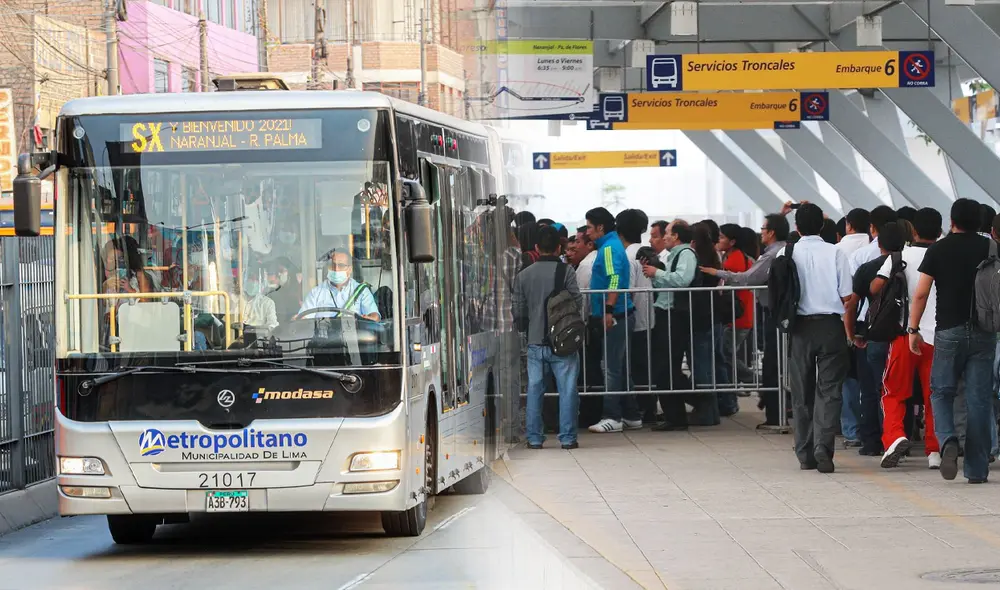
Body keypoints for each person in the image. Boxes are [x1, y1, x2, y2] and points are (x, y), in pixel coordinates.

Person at [908, 198, 996, 484]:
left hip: (948, 331)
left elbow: (920, 293)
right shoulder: (992, 248)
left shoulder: (939, 249)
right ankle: (977, 469)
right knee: (979, 400)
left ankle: (947, 440)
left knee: (941, 392)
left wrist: (913, 329)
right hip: (984, 332)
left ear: (952, 221)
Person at [778, 203, 853, 473]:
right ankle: (824, 446)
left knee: (802, 391)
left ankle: (805, 452)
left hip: (799, 328)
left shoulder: (786, 253)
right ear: (822, 226)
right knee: (830, 391)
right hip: (831, 326)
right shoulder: (836, 252)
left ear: (796, 226)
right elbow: (847, 296)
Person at [870, 209, 943, 469]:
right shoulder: (944, 254)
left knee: (893, 392)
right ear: (940, 229)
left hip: (904, 334)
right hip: (939, 337)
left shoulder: (900, 256)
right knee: (935, 395)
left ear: (913, 231)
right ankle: (934, 450)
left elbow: (875, 286)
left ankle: (894, 437)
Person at [702, 214, 788, 429]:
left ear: (771, 232)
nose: (761, 232)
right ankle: (770, 399)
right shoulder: (781, 251)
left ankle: (772, 406)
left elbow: (748, 278)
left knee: (768, 362)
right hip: (773, 315)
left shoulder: (770, 255)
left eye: (764, 228)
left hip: (761, 316)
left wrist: (718, 272)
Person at [513, 225, 582, 450]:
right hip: (563, 342)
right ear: (559, 247)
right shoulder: (567, 271)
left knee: (534, 390)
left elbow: (518, 311)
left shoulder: (523, 275)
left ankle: (534, 438)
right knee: (568, 390)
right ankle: (568, 438)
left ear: (536, 247)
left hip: (534, 342)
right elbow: (577, 301)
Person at [844, 222, 907, 456]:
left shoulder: (868, 268)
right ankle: (900, 436)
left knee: (870, 390)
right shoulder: (908, 265)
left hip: (874, 336)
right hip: (902, 336)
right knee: (898, 390)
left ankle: (872, 441)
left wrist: (851, 335)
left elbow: (851, 305)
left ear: (878, 243)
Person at [585, 207, 641, 433]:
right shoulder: (610, 246)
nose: (587, 232)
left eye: (589, 227)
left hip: (614, 315)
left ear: (600, 227)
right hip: (618, 313)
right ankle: (631, 414)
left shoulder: (609, 248)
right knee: (619, 367)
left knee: (611, 369)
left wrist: (608, 309)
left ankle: (612, 416)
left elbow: (615, 279)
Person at [644, 219, 697, 431]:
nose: (664, 237)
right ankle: (674, 414)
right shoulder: (674, 255)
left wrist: (658, 273)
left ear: (676, 236)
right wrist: (653, 272)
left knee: (667, 366)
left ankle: (678, 414)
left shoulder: (686, 254)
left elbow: (683, 279)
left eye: (666, 233)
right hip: (666, 313)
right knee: (665, 367)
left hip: (675, 316)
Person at [617, 209, 657, 423]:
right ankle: (648, 409)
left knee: (634, 368)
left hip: (633, 319)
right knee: (645, 368)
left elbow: (628, 291)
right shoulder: (646, 251)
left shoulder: (627, 256)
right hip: (648, 318)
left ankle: (641, 411)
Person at [835, 208, 870, 448]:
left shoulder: (838, 250)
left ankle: (851, 429)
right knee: (872, 377)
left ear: (848, 225)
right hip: (874, 321)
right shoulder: (878, 247)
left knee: (848, 377)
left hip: (844, 318)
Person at [717, 224, 757, 387]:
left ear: (732, 241)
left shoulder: (735, 260)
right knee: (728, 353)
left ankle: (753, 379)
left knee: (726, 354)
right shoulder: (736, 256)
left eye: (721, 237)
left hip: (737, 317)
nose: (718, 240)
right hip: (740, 315)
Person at [298, 249, 380, 320]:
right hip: (324, 337)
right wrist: (298, 320)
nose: (336, 269)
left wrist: (370, 318)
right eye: (333, 265)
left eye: (341, 265)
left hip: (354, 336)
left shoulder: (361, 291)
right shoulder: (316, 292)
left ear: (350, 269)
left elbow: (374, 316)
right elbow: (304, 319)